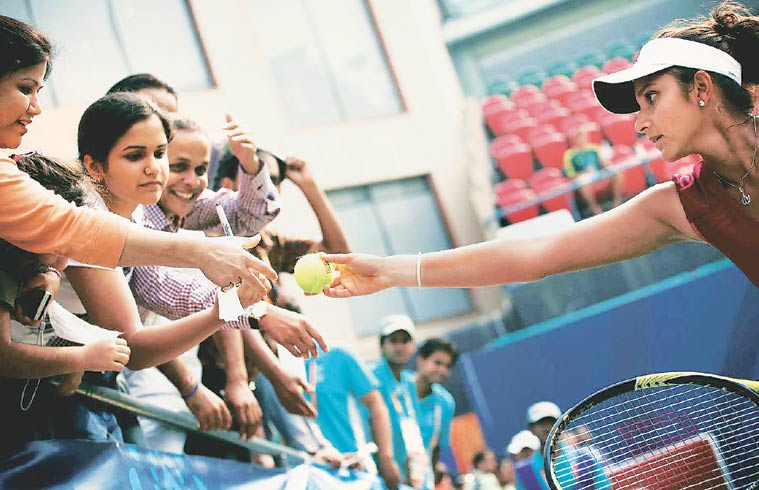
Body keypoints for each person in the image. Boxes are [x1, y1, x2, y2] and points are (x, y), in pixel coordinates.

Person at [319, 1, 759, 296]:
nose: (641, 122)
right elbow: (536, 254)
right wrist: (391, 270)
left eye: (651, 97)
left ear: (700, 87)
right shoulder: (682, 204)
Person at [0, 15, 273, 292]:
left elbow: (250, 214)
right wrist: (206, 256)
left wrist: (250, 165)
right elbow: (75, 230)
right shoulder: (90, 208)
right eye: (25, 89)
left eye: (160, 151)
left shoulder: (145, 201)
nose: (36, 107)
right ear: (94, 165)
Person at [305, 347, 401, 489]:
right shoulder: (278, 366)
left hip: (356, 471)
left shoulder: (338, 356)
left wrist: (386, 458)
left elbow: (376, 404)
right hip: (313, 476)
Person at [373, 314, 432, 489]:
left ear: (413, 346)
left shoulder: (408, 383)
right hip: (385, 477)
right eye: (393, 340)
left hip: (412, 476)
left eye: (405, 340)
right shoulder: (372, 378)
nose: (400, 346)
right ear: (382, 345)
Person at [414, 338, 458, 468]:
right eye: (437, 363)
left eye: (447, 366)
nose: (442, 370)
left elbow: (436, 448)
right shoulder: (398, 388)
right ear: (421, 360)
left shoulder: (446, 402)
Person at [562, 127, 623, 215]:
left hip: (598, 174)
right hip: (583, 178)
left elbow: (603, 164)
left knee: (617, 172)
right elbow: (570, 174)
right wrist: (584, 172)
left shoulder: (594, 149)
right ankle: (595, 208)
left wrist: (605, 163)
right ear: (575, 140)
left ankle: (617, 202)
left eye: (583, 137)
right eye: (579, 138)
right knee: (584, 183)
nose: (581, 140)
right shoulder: (570, 154)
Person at [513, 401, 560, 490]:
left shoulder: (586, 458)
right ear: (531, 429)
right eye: (542, 423)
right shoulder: (524, 472)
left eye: (551, 421)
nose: (547, 427)